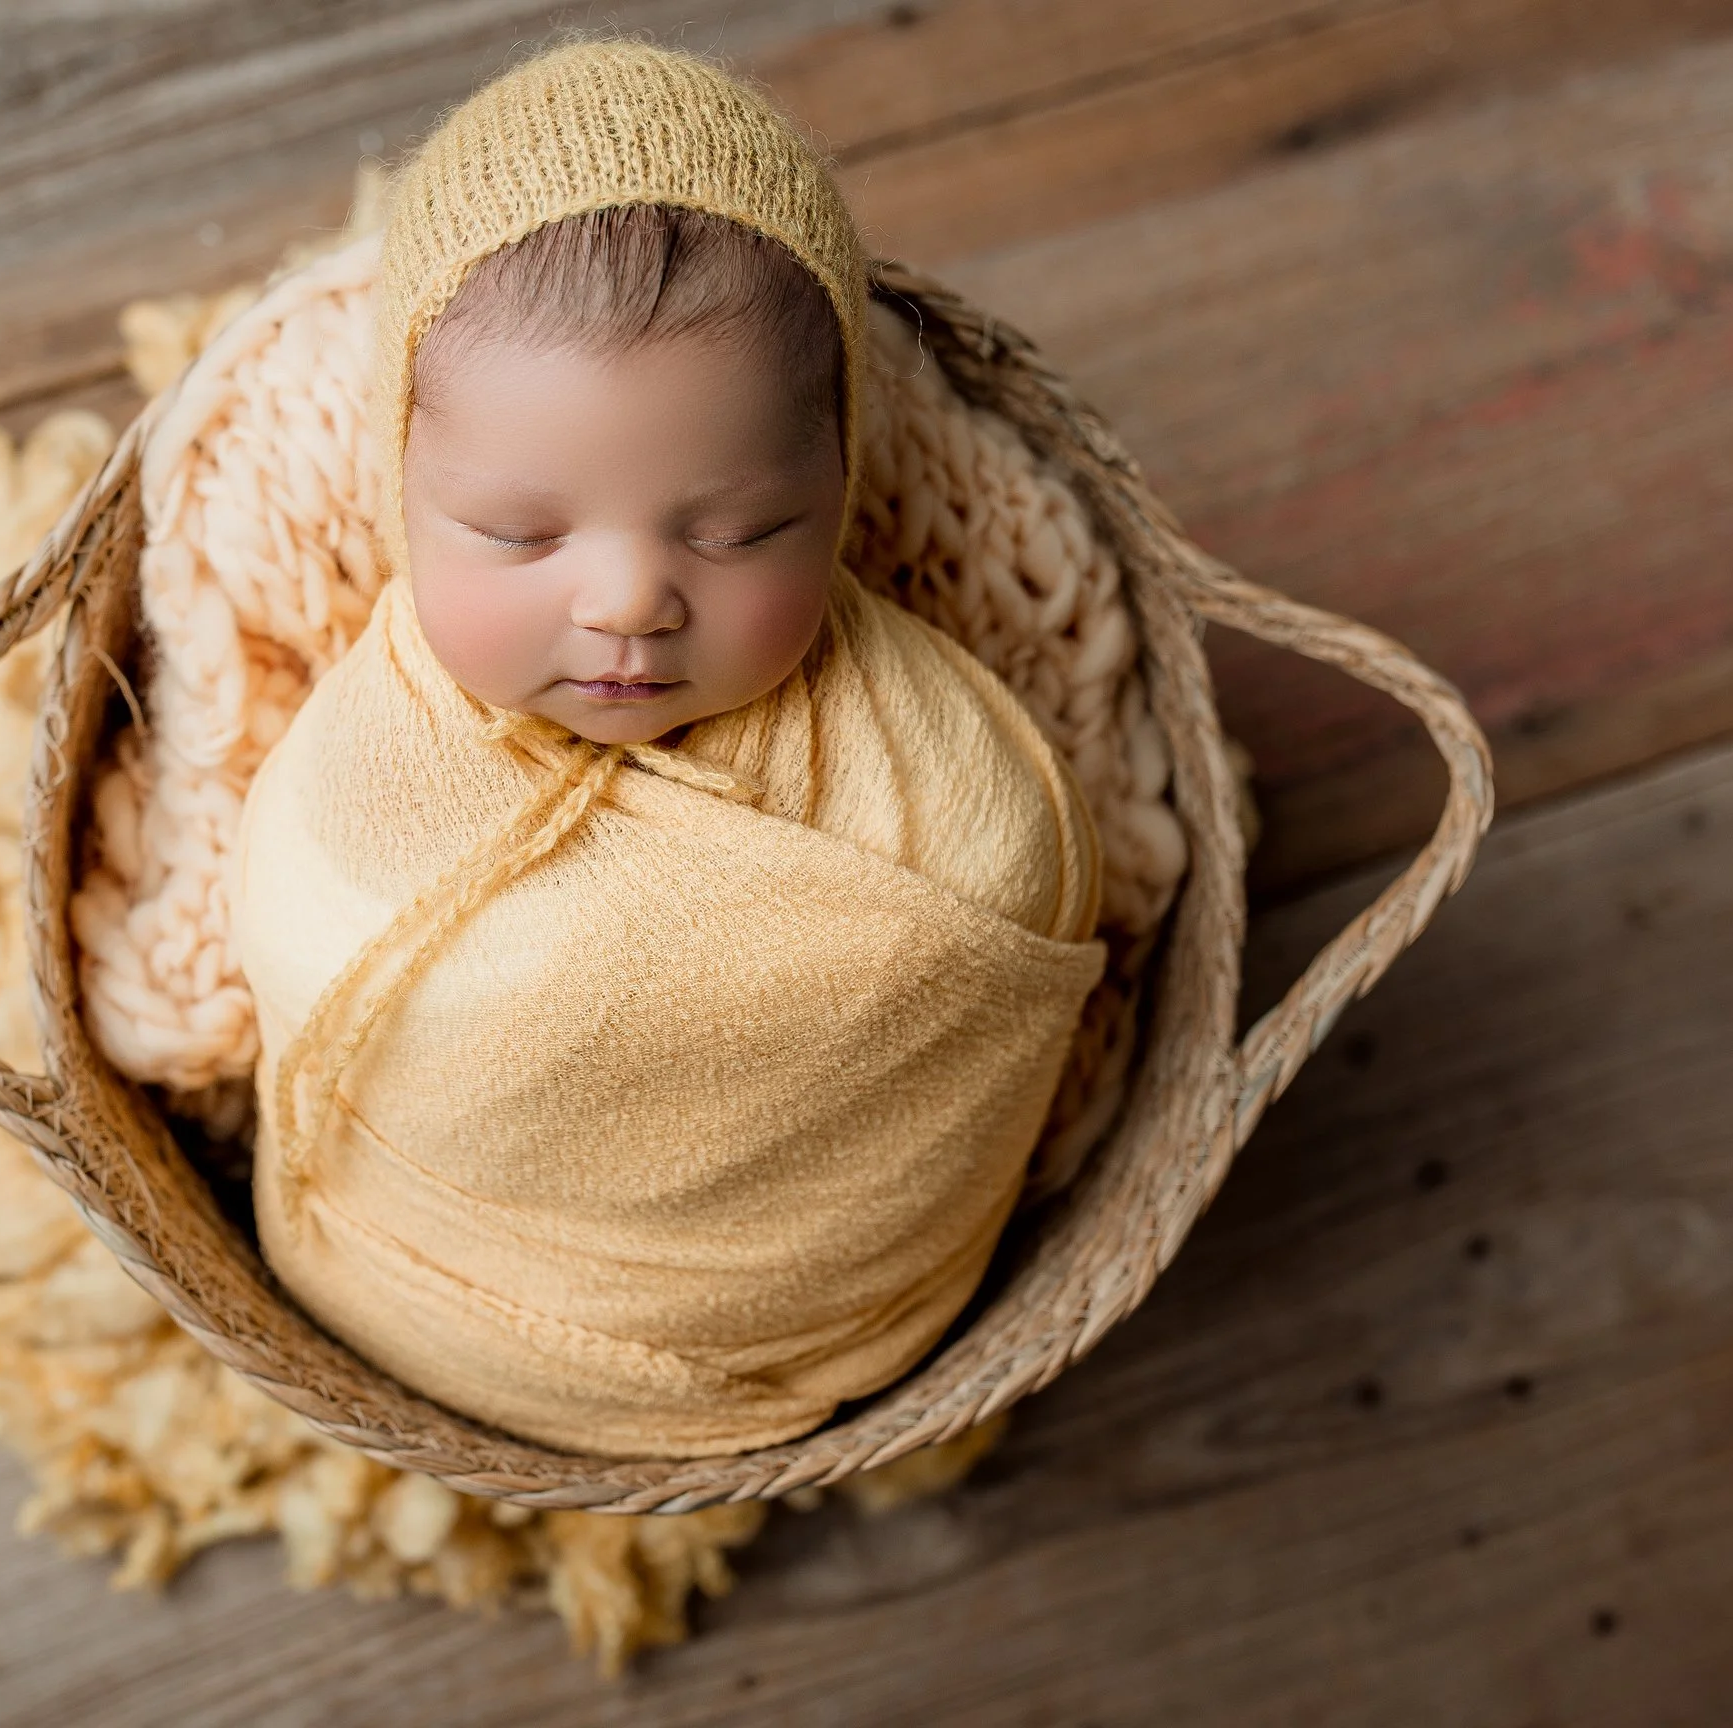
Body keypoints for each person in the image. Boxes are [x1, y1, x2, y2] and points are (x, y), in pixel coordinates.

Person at [223, 39, 1110, 1458]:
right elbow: (294, 934)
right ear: (396, 491)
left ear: (842, 488)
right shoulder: (354, 787)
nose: (629, 599)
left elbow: (1011, 908)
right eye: (518, 534)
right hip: (397, 1300)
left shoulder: (939, 786)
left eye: (740, 529)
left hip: (841, 1328)